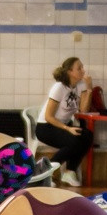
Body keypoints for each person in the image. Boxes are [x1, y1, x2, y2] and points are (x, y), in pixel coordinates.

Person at [37, 58, 94, 186]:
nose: (83, 70)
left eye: (82, 67)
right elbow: (48, 117)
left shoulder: (79, 86)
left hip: (62, 127)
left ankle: (70, 171)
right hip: (46, 128)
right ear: (69, 71)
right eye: (79, 68)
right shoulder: (59, 87)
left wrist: (89, 89)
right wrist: (67, 129)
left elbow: (83, 110)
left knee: (87, 136)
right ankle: (44, 173)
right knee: (75, 141)